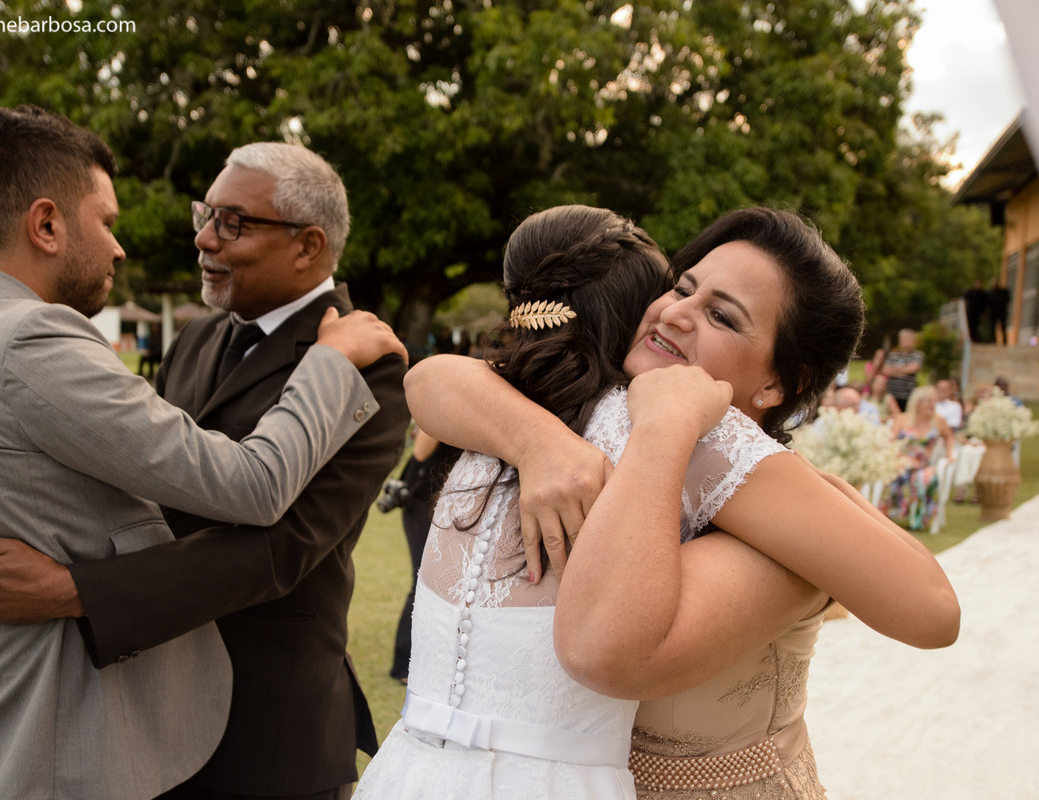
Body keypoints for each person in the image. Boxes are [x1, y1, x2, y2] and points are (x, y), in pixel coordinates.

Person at [0, 106, 403, 800]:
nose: (203, 238)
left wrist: (76, 592)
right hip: (127, 705)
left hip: (267, 722)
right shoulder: (198, 338)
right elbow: (134, 488)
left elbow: (280, 547)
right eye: (205, 214)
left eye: (232, 222)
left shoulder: (368, 365)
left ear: (307, 245)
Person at [394, 207, 958, 800]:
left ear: (777, 384)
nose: (678, 312)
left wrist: (818, 492)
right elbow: (434, 380)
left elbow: (933, 610)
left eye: (721, 315)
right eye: (683, 286)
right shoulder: (597, 408)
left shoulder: (716, 447)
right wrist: (541, 443)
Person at [382, 427, 462, 684]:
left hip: (448, 501)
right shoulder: (449, 407)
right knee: (422, 580)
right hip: (423, 499)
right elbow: (420, 450)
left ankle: (430, 659)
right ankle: (404, 665)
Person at [881, 385, 956, 531]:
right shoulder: (903, 419)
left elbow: (949, 436)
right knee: (898, 473)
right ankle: (894, 513)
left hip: (925, 465)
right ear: (917, 402)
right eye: (928, 401)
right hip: (901, 461)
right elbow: (888, 444)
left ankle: (918, 518)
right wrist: (903, 459)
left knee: (924, 477)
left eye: (934, 401)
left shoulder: (938, 421)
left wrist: (950, 453)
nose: (932, 405)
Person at [881, 328, 924, 409]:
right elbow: (885, 370)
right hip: (892, 395)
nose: (905, 341)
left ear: (913, 341)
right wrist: (904, 370)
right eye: (903, 339)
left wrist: (895, 370)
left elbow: (914, 368)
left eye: (907, 339)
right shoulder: (893, 355)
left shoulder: (918, 355)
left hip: (908, 395)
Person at [989, 279, 1010, 344]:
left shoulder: (1003, 292)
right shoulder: (991, 292)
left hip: (1002, 312)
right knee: (993, 327)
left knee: (1003, 327)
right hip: (994, 312)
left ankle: (1004, 341)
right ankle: (993, 340)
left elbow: (1007, 299)